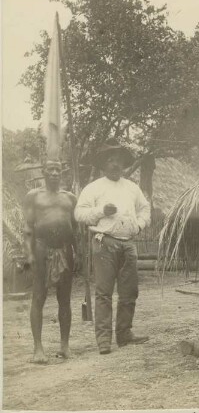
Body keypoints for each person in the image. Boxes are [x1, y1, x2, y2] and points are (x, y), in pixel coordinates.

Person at [74, 141, 151, 355]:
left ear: (123, 163)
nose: (114, 163)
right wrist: (101, 211)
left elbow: (145, 209)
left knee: (129, 292)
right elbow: (79, 213)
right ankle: (104, 340)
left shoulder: (132, 188)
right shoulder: (94, 188)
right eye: (109, 159)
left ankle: (124, 334)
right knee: (104, 293)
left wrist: (140, 224)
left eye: (117, 159)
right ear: (103, 164)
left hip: (128, 244)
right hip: (104, 242)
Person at [23, 160, 79, 363]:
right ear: (44, 172)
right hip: (41, 248)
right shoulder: (34, 196)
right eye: (50, 170)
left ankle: (65, 346)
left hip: (65, 250)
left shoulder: (70, 198)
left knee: (64, 299)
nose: (55, 173)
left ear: (62, 172)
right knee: (38, 296)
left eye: (58, 169)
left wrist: (78, 252)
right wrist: (29, 254)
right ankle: (38, 349)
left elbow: (75, 229)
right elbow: (28, 227)